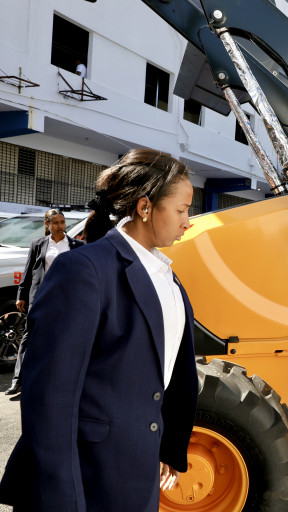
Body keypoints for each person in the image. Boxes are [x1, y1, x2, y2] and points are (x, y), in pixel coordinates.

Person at [0, 149, 199, 511]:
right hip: (86, 479)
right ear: (145, 207)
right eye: (182, 210)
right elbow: (49, 397)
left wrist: (169, 448)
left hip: (138, 469)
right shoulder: (83, 270)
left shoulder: (167, 278)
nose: (189, 222)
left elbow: (170, 373)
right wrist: (61, 500)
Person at [5, 209, 84, 395]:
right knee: (29, 337)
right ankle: (18, 380)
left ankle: (59, 379)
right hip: (40, 297)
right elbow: (28, 271)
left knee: (63, 338)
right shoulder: (38, 244)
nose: (60, 226)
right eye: (55, 222)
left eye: (62, 222)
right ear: (47, 224)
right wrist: (21, 295)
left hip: (65, 300)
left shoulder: (77, 246)